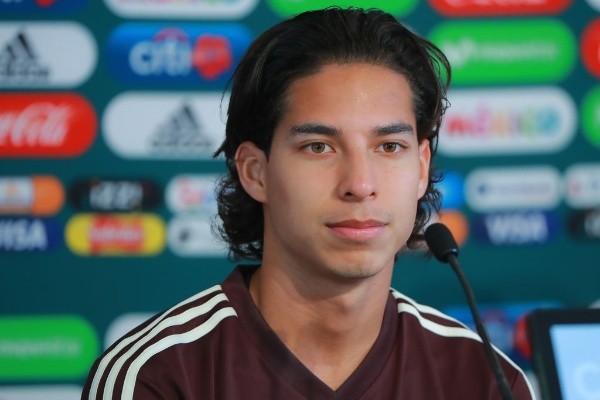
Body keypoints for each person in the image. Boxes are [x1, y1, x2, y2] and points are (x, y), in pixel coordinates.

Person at [82, 7, 535, 399]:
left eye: (389, 147)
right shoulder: (158, 376)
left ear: (420, 168)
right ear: (255, 172)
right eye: (319, 147)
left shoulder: (484, 379)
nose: (360, 184)